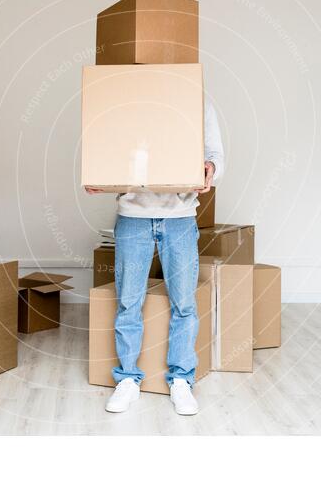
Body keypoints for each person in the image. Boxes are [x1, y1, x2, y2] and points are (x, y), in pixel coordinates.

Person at [86, 98, 224, 415]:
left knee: (184, 303)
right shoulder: (125, 97)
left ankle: (181, 381)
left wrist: (210, 168)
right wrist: (98, 173)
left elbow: (215, 152)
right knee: (128, 301)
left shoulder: (197, 99)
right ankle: (128, 380)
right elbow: (106, 144)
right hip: (133, 215)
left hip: (180, 216)